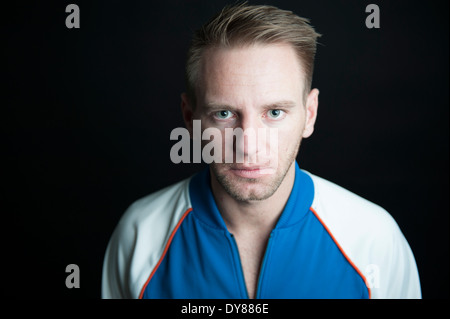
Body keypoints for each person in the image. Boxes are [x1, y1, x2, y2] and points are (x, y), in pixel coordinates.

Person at [102, 3, 421, 299]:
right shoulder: (140, 235)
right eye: (224, 114)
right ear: (190, 117)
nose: (249, 145)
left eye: (275, 113)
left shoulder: (374, 240)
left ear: (309, 114)